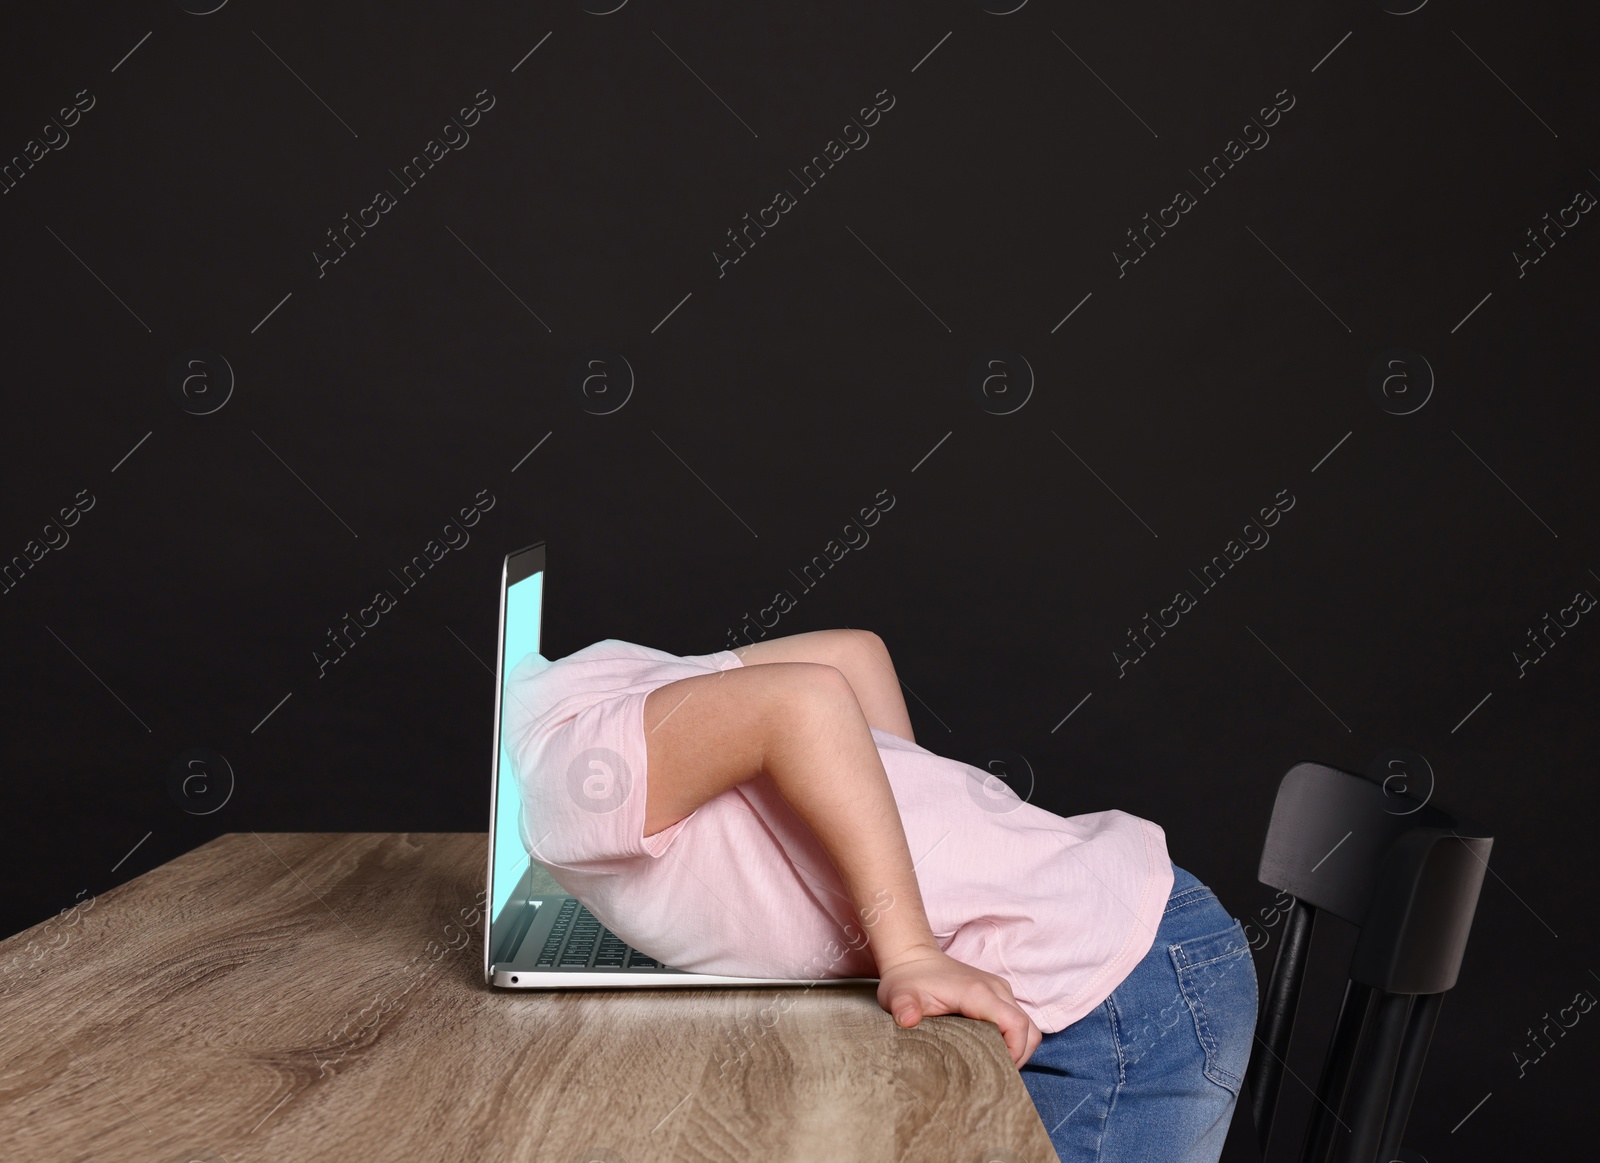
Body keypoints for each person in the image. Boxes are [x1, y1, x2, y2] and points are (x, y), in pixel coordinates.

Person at [503, 628, 1258, 1161]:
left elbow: (803, 699)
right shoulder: (579, 679)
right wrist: (908, 859)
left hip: (1126, 993)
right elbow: (852, 652)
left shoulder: (556, 772)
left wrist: (910, 945)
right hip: (1121, 941)